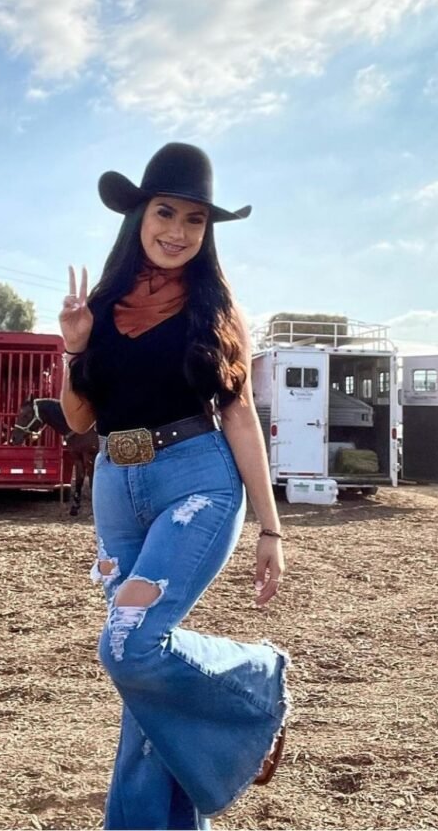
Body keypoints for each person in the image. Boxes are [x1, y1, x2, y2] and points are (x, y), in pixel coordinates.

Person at [59, 142, 289, 831]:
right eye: (166, 212)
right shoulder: (99, 303)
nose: (178, 231)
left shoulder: (216, 307)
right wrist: (73, 347)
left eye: (195, 220)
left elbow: (241, 415)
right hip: (114, 484)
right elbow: (79, 418)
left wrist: (271, 528)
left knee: (129, 645)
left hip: (198, 481)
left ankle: (254, 678)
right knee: (143, 681)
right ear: (138, 215)